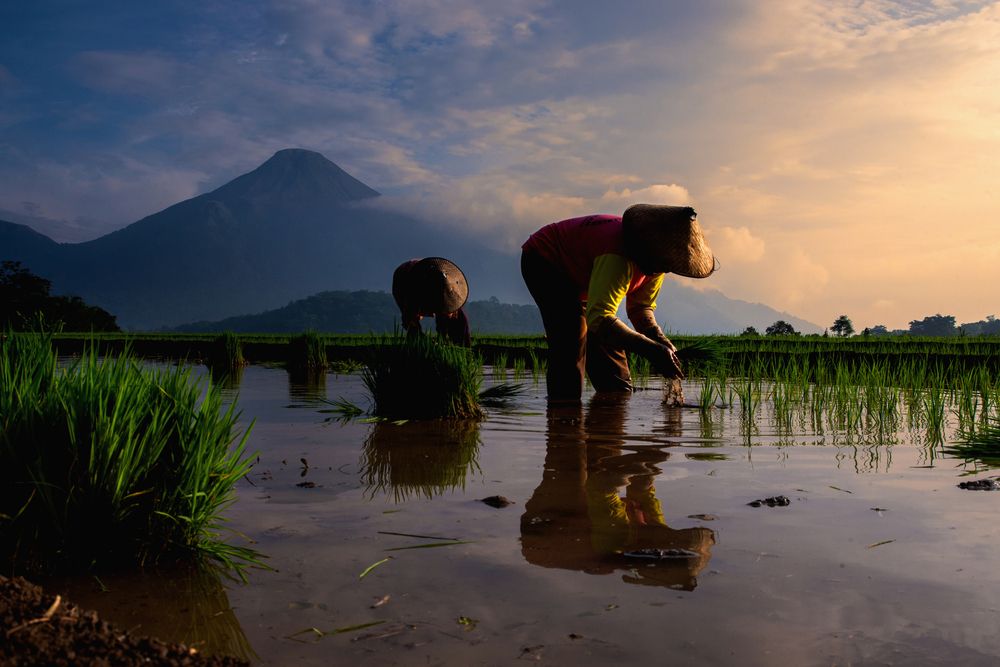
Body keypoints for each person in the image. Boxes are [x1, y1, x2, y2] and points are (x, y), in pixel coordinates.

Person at [520, 204, 716, 401]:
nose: (663, 270)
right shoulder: (618, 255)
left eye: (668, 265)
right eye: (663, 263)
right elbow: (600, 318)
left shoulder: (658, 264)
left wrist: (661, 342)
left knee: (610, 347)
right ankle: (564, 411)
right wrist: (651, 350)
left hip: (585, 275)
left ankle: (614, 406)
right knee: (572, 337)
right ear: (649, 246)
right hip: (547, 260)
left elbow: (640, 309)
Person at [391, 257, 472, 347]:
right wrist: (424, 342)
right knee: (413, 328)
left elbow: (454, 318)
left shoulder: (450, 288)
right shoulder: (413, 292)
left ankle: (456, 344)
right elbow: (409, 320)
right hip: (403, 280)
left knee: (455, 319)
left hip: (432, 283)